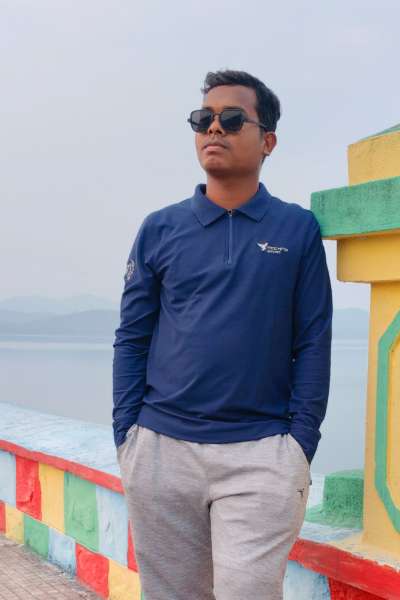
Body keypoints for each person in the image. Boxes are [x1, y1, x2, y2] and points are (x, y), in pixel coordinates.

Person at [112, 69, 333, 600]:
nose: (214, 128)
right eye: (203, 119)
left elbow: (313, 340)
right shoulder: (160, 228)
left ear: (268, 141)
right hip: (161, 450)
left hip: (262, 455)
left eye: (232, 119)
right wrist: (129, 434)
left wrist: (298, 444)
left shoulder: (296, 229)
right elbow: (133, 336)